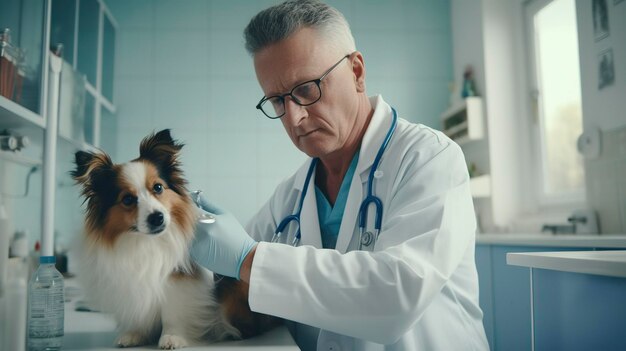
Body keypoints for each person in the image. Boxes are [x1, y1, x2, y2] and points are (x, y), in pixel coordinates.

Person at [190, 1, 489, 350]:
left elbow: (397, 294)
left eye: (307, 89)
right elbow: (223, 276)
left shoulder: (429, 158)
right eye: (277, 101)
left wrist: (250, 260)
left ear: (357, 72)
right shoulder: (289, 197)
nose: (294, 118)